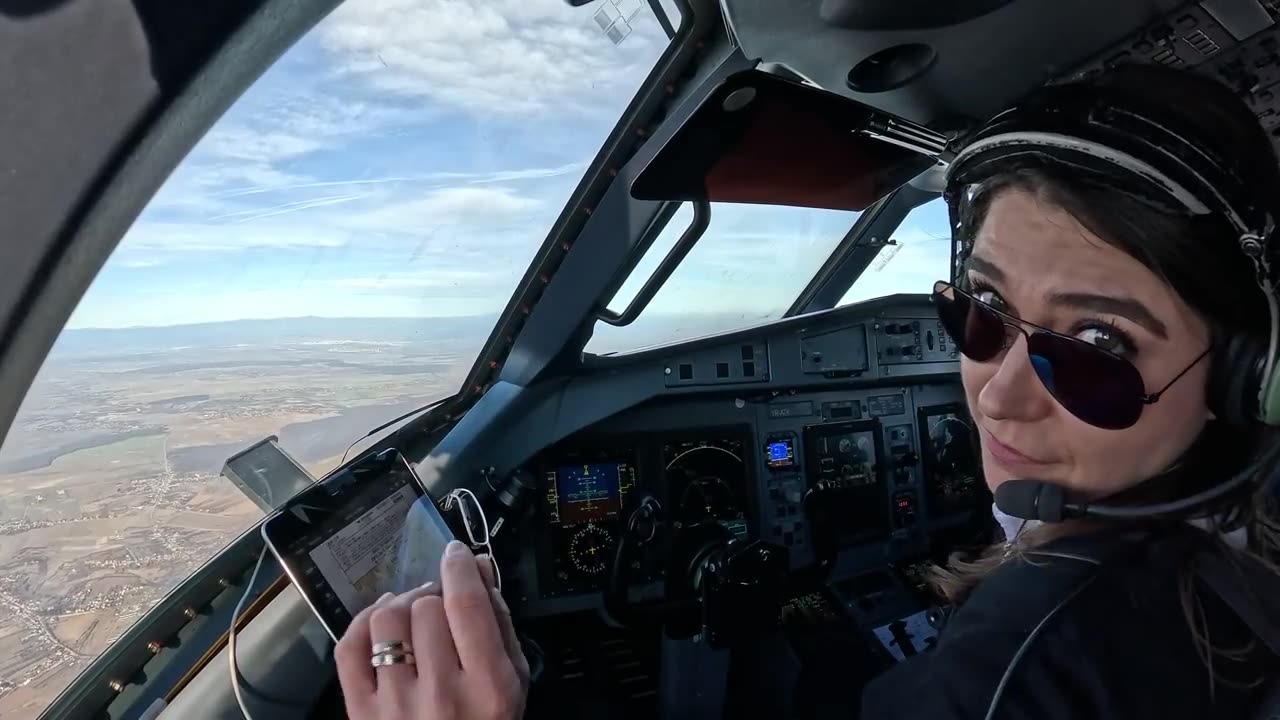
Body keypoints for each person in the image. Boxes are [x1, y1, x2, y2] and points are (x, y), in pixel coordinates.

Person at [333, 63, 1280, 719]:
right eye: (982, 309)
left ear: (1247, 374)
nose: (996, 398)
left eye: (1096, 346)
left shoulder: (1027, 660)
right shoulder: (1231, 551)